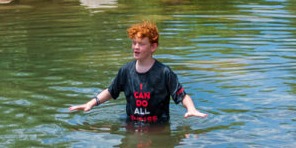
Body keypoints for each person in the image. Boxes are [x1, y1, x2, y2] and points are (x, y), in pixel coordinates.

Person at [68, 21, 208, 124]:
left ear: (153, 47)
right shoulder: (126, 71)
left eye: (141, 44)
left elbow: (181, 95)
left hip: (158, 128)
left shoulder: (164, 73)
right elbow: (111, 91)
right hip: (131, 125)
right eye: (134, 43)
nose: (136, 47)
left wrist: (191, 109)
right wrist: (91, 103)